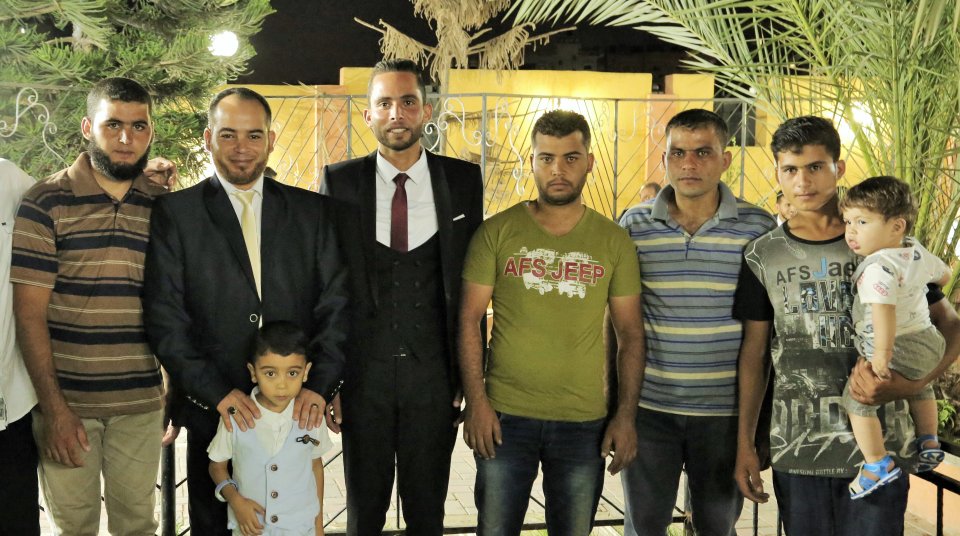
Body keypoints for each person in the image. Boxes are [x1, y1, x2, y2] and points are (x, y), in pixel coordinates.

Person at [733, 116, 960, 534]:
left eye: (815, 167)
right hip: (798, 449)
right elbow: (754, 354)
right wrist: (745, 443)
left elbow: (951, 326)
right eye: (790, 169)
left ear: (838, 168)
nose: (803, 181)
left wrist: (912, 384)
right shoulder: (762, 256)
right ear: (777, 173)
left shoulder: (881, 242)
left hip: (882, 452)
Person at [143, 87, 349, 536]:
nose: (242, 147)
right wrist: (217, 393)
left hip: (295, 407)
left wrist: (319, 386)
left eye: (254, 135)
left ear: (270, 140)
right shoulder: (176, 214)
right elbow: (165, 319)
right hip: (213, 408)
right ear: (208, 138)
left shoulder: (313, 212)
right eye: (228, 134)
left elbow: (337, 305)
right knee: (213, 524)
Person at [460, 109, 644, 535]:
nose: (558, 170)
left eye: (570, 158)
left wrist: (625, 416)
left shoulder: (613, 241)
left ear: (589, 162)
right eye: (546, 158)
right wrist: (477, 402)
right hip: (505, 418)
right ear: (532, 162)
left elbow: (631, 335)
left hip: (582, 422)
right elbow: (469, 319)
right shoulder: (497, 232)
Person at [320, 58, 484, 535]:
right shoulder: (339, 181)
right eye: (385, 103)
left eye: (408, 101)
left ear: (426, 111)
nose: (397, 113)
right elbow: (327, 285)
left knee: (428, 513)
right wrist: (331, 380)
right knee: (364, 514)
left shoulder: (462, 181)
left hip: (434, 379)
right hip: (362, 379)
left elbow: (472, 283)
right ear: (368, 114)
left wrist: (469, 376)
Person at [11, 77, 169, 535]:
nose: (127, 138)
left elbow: (177, 305)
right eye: (113, 125)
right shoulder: (46, 202)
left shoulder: (163, 206)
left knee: (137, 526)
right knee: (74, 528)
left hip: (140, 402)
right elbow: (29, 314)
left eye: (139, 126)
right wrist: (54, 410)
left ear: (150, 132)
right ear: (87, 127)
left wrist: (172, 388)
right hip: (68, 405)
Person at [617, 108, 775, 535]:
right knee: (643, 527)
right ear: (664, 159)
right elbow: (617, 326)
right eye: (678, 153)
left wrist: (751, 434)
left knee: (715, 527)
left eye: (703, 152)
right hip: (651, 411)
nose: (689, 164)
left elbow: (761, 341)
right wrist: (619, 412)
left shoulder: (757, 228)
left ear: (725, 160)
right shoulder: (633, 226)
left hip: (724, 415)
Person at [839, 176, 950, 498]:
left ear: (897, 225)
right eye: (848, 221)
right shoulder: (914, 251)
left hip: (898, 344)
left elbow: (883, 313)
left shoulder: (877, 268)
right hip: (928, 340)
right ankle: (929, 439)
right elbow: (944, 275)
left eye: (862, 222)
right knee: (920, 384)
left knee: (856, 399)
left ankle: (876, 463)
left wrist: (881, 356)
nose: (851, 231)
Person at [208, 321, 332, 536]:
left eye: (292, 373)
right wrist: (236, 501)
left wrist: (318, 526)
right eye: (270, 374)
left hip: (301, 529)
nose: (282, 385)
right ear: (253, 372)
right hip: (252, 530)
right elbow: (216, 467)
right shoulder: (236, 416)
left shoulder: (311, 417)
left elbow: (315, 466)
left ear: (306, 372)